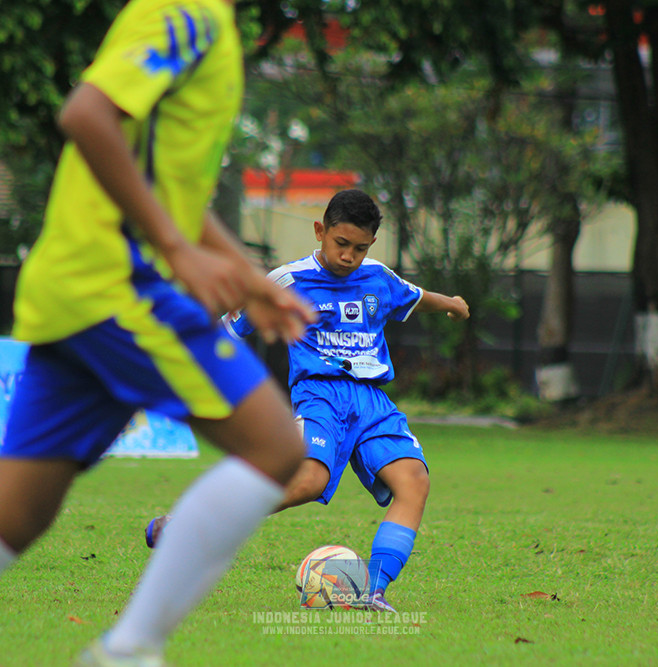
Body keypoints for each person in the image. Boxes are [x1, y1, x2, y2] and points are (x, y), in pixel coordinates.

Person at [0, 0, 314, 665]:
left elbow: (166, 187)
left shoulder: (215, 28)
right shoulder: (189, 12)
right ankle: (129, 649)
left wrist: (243, 273)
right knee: (276, 446)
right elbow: (86, 115)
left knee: (10, 518)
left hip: (81, 292)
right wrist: (176, 250)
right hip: (119, 287)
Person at [145, 189, 470, 613]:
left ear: (371, 244)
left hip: (372, 400)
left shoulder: (378, 277)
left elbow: (415, 296)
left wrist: (452, 304)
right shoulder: (289, 280)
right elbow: (231, 327)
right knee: (308, 480)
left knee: (414, 481)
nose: (349, 256)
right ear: (320, 231)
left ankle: (373, 590)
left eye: (360, 248)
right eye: (341, 243)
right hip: (320, 395)